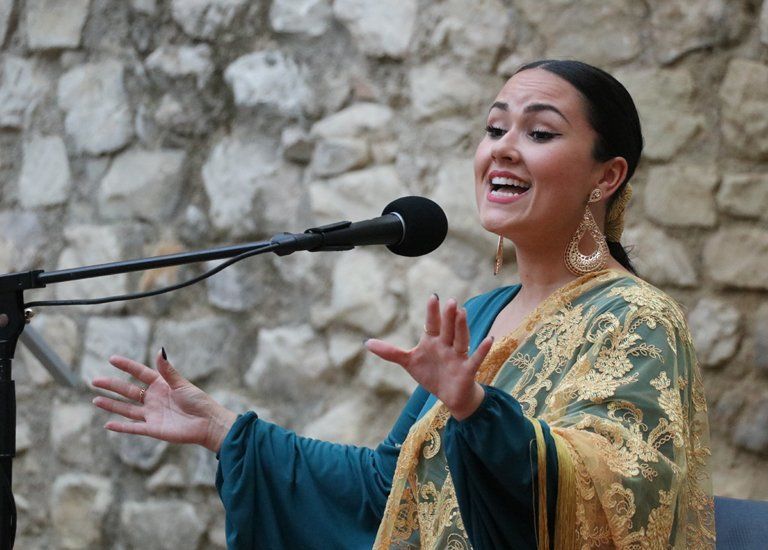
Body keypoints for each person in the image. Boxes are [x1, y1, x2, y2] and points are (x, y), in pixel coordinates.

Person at [92, 59, 715, 549]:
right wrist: (224, 431)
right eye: (494, 128)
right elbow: (390, 493)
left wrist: (478, 412)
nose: (502, 147)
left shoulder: (636, 319)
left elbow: (620, 500)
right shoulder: (480, 315)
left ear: (606, 177)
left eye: (540, 132)